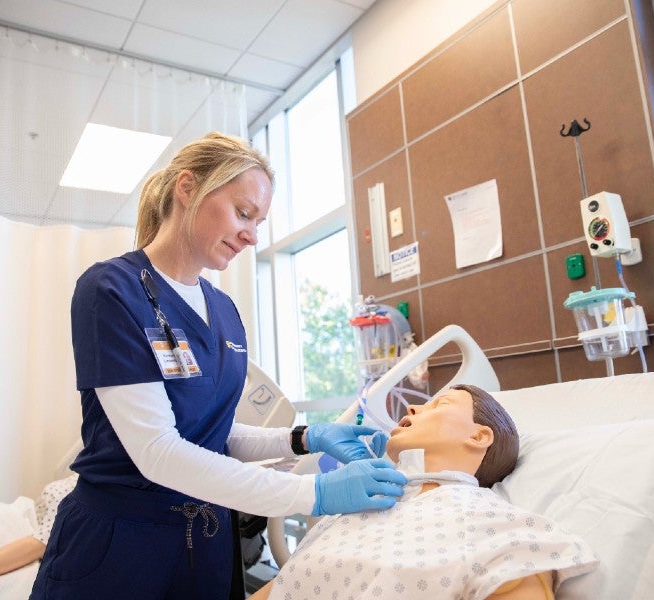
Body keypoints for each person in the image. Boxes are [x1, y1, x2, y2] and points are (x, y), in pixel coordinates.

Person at [29, 132, 407, 600]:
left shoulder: (223, 310)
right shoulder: (112, 290)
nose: (252, 234)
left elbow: (213, 434)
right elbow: (159, 451)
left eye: (259, 221)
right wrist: (317, 493)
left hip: (206, 544)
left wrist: (304, 437)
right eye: (243, 213)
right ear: (187, 189)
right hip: (121, 547)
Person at [250, 384, 600, 600]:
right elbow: (282, 588)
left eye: (440, 405)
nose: (413, 408)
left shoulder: (501, 527)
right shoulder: (351, 511)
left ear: (479, 437)